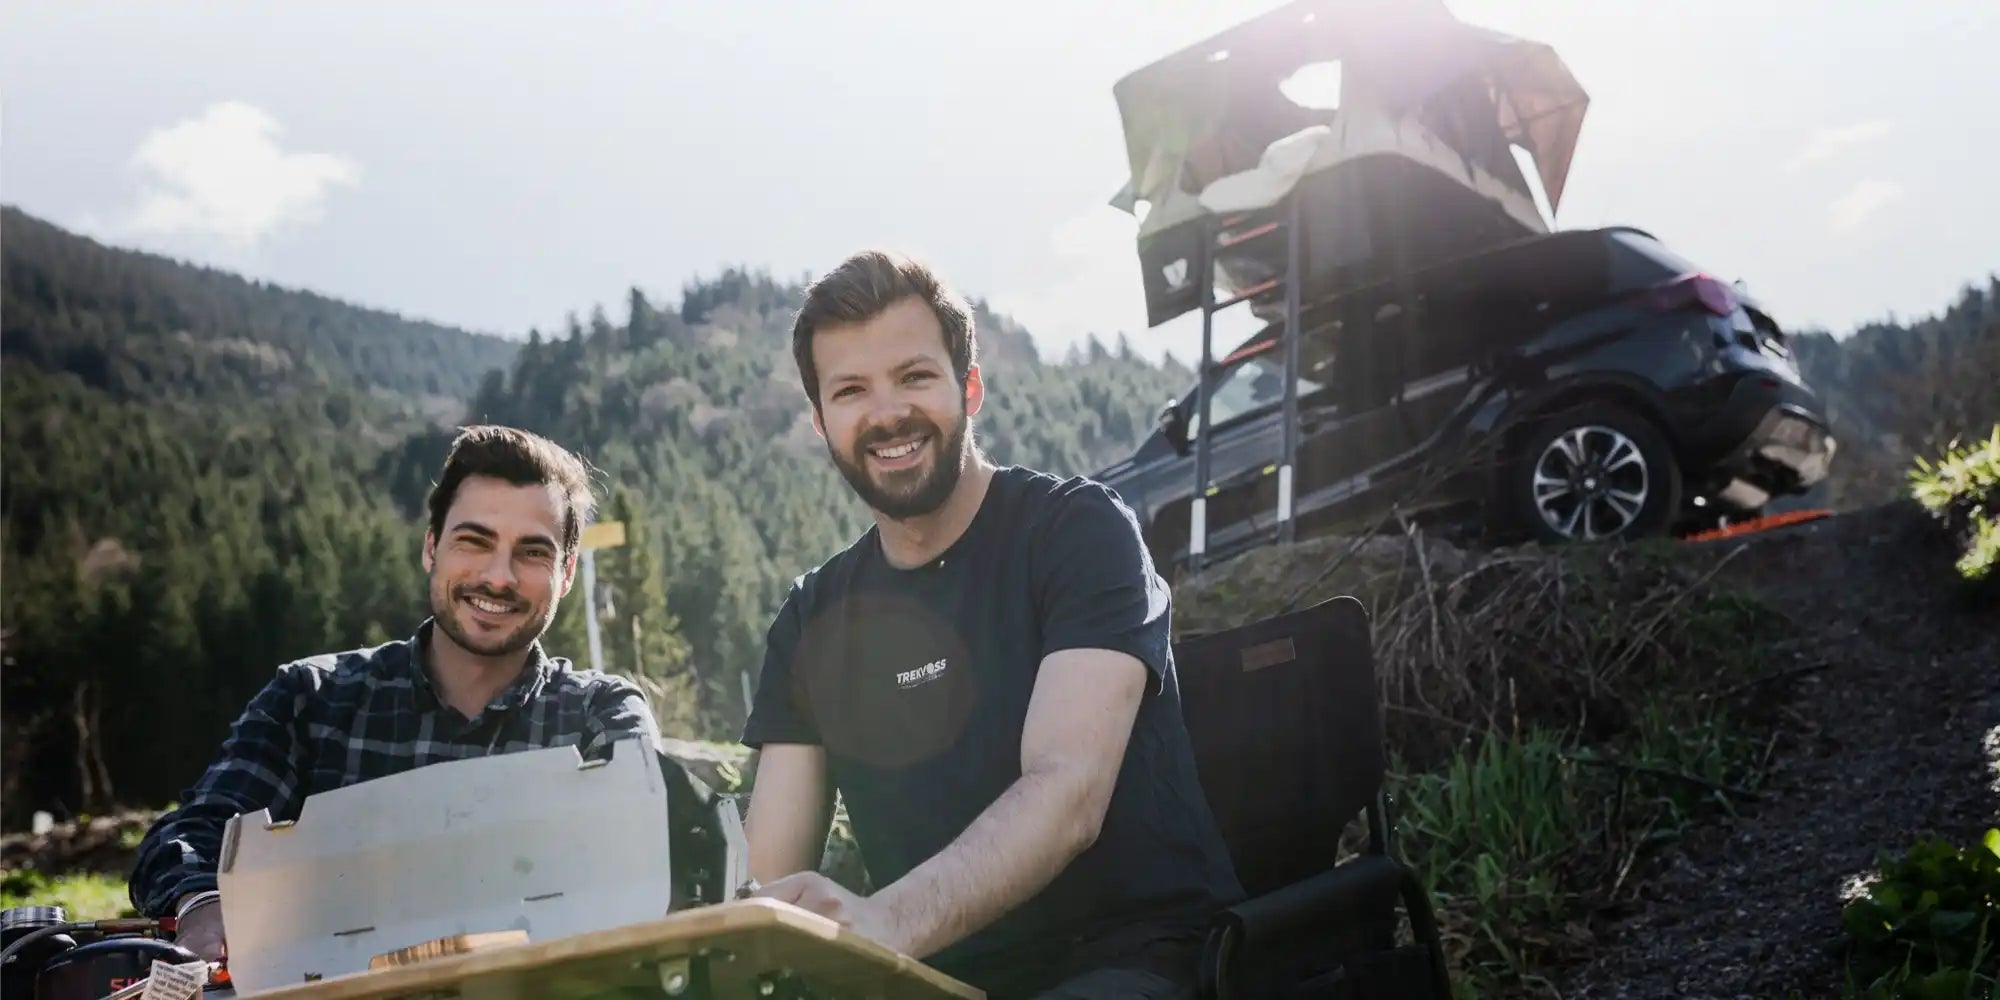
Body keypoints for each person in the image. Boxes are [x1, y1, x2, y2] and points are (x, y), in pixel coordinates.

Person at [740, 251, 1244, 998]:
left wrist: (886, 922)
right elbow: (765, 878)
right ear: (821, 423)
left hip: (1132, 959)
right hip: (932, 981)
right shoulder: (814, 614)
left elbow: (1066, 793)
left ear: (969, 386)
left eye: (914, 376)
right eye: (851, 391)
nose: (886, 414)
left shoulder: (1078, 532)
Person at [128, 425, 662, 964]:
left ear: (567, 573)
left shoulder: (603, 717)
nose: (499, 577)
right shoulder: (311, 701)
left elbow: (648, 863)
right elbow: (197, 832)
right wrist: (203, 903)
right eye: (473, 541)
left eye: (532, 553)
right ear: (431, 547)